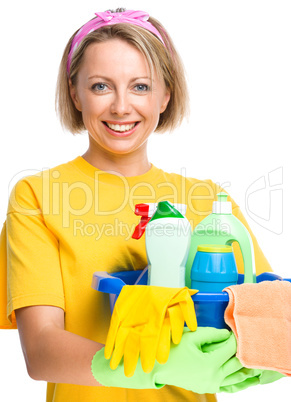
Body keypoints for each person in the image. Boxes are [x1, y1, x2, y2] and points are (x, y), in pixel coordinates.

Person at [0, 8, 279, 402]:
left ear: (166, 94)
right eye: (100, 86)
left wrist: (262, 355)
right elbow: (41, 350)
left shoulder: (207, 202)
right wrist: (155, 367)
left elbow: (268, 317)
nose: (120, 107)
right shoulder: (38, 197)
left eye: (140, 87)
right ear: (74, 92)